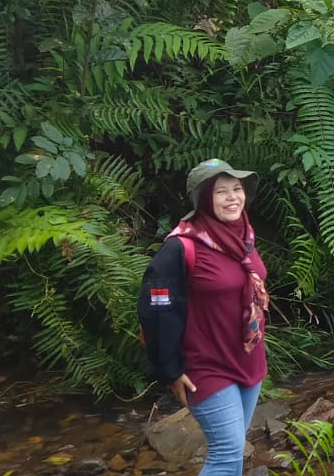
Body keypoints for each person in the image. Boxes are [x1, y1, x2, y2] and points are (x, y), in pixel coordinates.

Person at [138, 159, 271, 476]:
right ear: (203, 200)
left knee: (235, 451)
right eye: (221, 191)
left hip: (248, 360)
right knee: (226, 456)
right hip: (206, 368)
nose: (232, 198)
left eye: (236, 189)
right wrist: (169, 369)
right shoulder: (181, 248)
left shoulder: (243, 236)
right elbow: (155, 309)